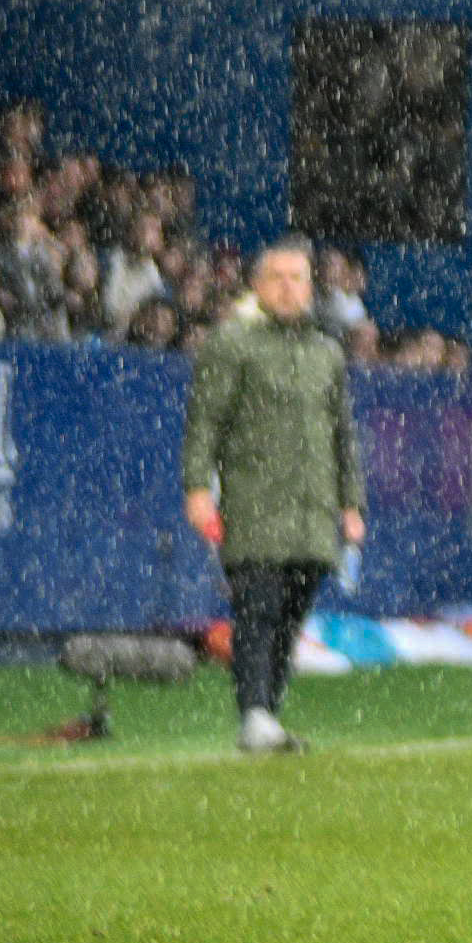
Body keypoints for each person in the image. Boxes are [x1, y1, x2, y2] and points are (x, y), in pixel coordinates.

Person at [181, 237, 365, 755]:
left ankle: (268, 712)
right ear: (258, 285)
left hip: (312, 512)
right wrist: (197, 489)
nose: (289, 287)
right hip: (254, 505)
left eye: (298, 277)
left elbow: (343, 434)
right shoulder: (231, 342)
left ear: (311, 286)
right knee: (257, 610)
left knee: (292, 613)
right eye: (278, 277)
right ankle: (255, 714)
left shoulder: (326, 352)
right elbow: (205, 423)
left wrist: (352, 504)